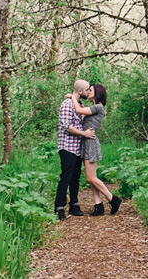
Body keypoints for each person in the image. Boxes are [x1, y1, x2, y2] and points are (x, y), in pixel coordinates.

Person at [67, 83, 122, 215]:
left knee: (91, 178)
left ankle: (112, 199)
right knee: (90, 178)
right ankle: (98, 205)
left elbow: (79, 111)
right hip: (86, 142)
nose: (88, 92)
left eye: (90, 90)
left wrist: (72, 97)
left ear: (97, 92)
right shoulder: (93, 107)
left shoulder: (98, 107)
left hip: (91, 143)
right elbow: (81, 114)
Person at [54, 79, 95, 221]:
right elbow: (67, 126)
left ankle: (74, 204)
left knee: (75, 178)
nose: (88, 91)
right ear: (79, 91)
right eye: (87, 89)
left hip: (77, 148)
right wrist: (84, 134)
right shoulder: (67, 105)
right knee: (66, 177)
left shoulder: (79, 105)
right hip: (67, 147)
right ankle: (59, 207)